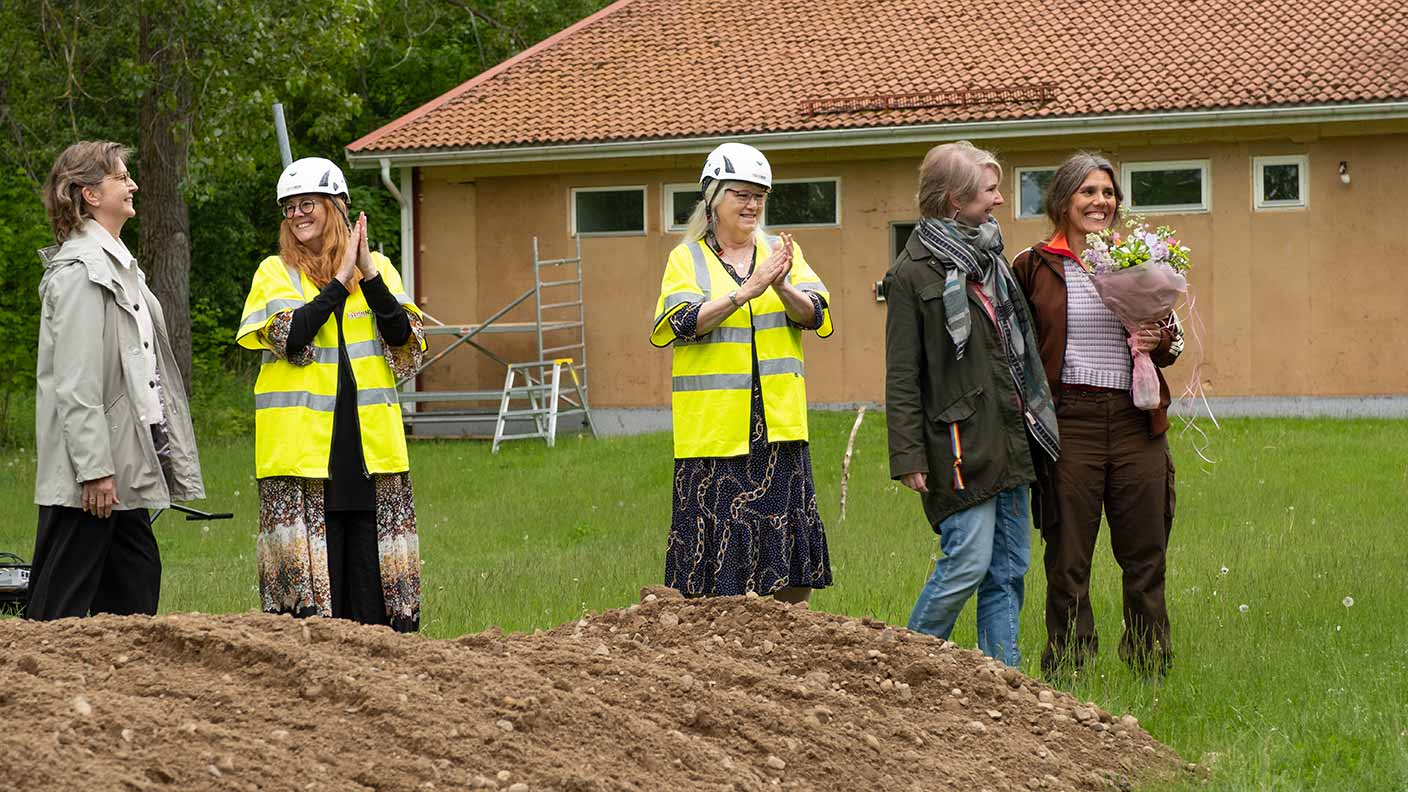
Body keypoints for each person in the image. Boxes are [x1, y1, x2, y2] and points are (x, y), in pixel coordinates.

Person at [884, 141, 1060, 667]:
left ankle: (1004, 683)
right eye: (990, 190)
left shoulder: (991, 255)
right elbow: (901, 373)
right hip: (959, 443)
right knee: (966, 563)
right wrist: (908, 455)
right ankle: (903, 665)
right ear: (955, 201)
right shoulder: (911, 273)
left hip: (1010, 432)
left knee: (1008, 569)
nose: (1001, 200)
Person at [1011, 152, 1183, 677]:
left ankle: (1150, 664)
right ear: (1063, 200)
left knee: (1145, 553)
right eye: (1088, 192)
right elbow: (1014, 346)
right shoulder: (1034, 264)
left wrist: (1159, 339)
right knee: (1068, 557)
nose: (1100, 202)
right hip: (1071, 423)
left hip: (1136, 421)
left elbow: (1172, 343)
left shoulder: (1139, 258)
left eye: (1108, 193)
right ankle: (1068, 666)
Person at [236, 157, 426, 632]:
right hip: (300, 462)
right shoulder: (274, 273)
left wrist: (367, 275)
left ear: (338, 207)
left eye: (308, 204)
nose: (298, 215)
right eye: (290, 208)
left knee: (373, 599)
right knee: (311, 616)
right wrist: (340, 283)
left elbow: (404, 339)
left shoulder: (378, 267)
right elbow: (292, 334)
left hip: (370, 458)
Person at [650, 142, 834, 602]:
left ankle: (787, 643)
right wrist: (745, 292)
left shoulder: (781, 253)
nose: (752, 204)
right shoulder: (686, 259)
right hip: (713, 433)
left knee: (787, 561)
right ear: (713, 199)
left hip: (776, 428)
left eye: (759, 195)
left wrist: (783, 286)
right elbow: (679, 322)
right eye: (741, 194)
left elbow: (816, 312)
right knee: (713, 566)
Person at [28, 140, 204, 619]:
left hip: (127, 459)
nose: (134, 185)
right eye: (121, 178)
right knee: (61, 604)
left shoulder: (120, 265)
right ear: (88, 194)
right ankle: (33, 689)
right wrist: (95, 469)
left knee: (135, 579)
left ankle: (119, 687)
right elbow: (76, 381)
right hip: (96, 473)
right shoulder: (83, 273)